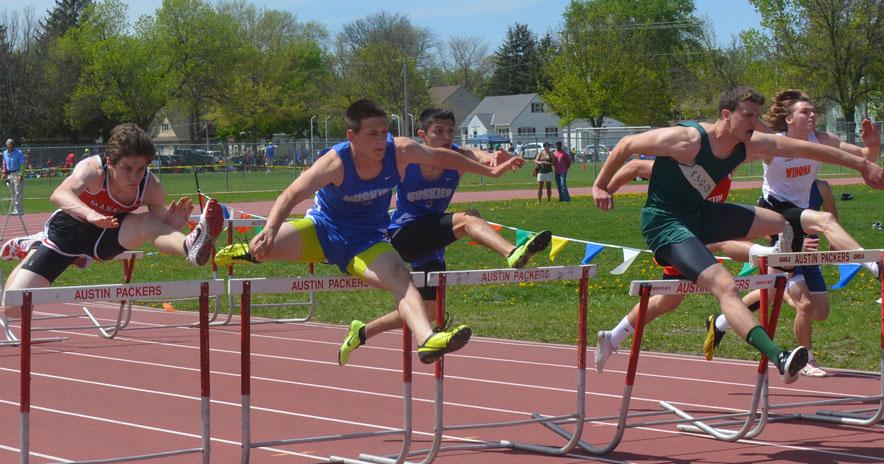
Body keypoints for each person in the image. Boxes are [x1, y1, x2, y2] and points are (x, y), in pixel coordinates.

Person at [591, 85, 884, 383]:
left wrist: (862, 163)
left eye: (757, 116)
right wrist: (602, 186)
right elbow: (628, 145)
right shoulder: (689, 140)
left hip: (700, 217)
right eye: (747, 116)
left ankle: (779, 262)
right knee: (723, 285)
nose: (754, 123)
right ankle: (779, 358)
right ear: (726, 115)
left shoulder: (748, 146)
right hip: (666, 224)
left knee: (779, 221)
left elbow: (805, 149)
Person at [215, 99, 525, 364]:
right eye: (373, 134)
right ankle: (245, 252)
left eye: (384, 132)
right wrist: (269, 229)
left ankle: (428, 339)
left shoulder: (398, 151)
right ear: (352, 135)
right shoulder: (334, 163)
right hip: (322, 231)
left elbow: (443, 156)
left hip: (367, 241)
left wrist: (490, 170)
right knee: (265, 249)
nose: (381, 140)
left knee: (401, 280)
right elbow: (291, 195)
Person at [335, 107, 551, 366]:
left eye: (450, 131)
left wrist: (496, 157)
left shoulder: (458, 157)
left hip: (433, 241)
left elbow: (483, 156)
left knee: (428, 313)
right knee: (468, 217)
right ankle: (512, 252)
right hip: (404, 235)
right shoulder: (407, 159)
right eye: (438, 132)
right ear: (423, 136)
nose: (446, 137)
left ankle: (360, 332)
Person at [703, 89, 882, 376]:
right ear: (789, 118)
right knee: (804, 299)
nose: (813, 115)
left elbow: (865, 156)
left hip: (802, 223)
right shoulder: (772, 145)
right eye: (805, 112)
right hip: (778, 218)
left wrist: (873, 146)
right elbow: (734, 152)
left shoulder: (820, 140)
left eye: (814, 111)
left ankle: (722, 321)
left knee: (817, 309)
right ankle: (874, 267)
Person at [1, 123, 224, 316]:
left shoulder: (151, 187)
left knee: (148, 223)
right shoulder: (92, 171)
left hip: (110, 235)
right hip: (68, 233)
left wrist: (171, 225)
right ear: (110, 162)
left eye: (141, 169)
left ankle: (190, 246)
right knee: (13, 308)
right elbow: (59, 194)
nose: (135, 177)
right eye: (127, 168)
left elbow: (157, 230)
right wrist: (90, 214)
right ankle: (35, 245)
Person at [593, 159, 785, 372]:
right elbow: (635, 167)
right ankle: (771, 253)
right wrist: (606, 191)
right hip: (676, 236)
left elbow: (764, 145)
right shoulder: (690, 168)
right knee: (721, 244)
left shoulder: (731, 163)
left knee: (668, 301)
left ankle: (612, 337)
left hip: (700, 231)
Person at [1, 138, 26, 215]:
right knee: (12, 192)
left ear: (13, 145)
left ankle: (19, 209)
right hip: (10, 174)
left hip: (17, 173)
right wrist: (4, 173)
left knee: (18, 191)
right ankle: (14, 208)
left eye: (11, 144)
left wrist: (21, 174)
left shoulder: (19, 153)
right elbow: (4, 163)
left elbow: (22, 164)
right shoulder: (5, 153)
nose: (9, 146)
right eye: (8, 144)